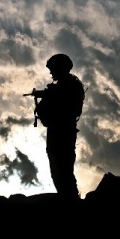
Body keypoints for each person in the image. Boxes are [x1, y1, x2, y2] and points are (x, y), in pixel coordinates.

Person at [26, 54, 85, 200]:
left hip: (63, 131)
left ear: (61, 67)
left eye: (53, 69)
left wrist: (47, 95)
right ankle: (68, 198)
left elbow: (66, 103)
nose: (51, 72)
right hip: (58, 130)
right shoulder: (65, 85)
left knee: (62, 170)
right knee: (59, 170)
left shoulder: (69, 85)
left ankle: (70, 200)